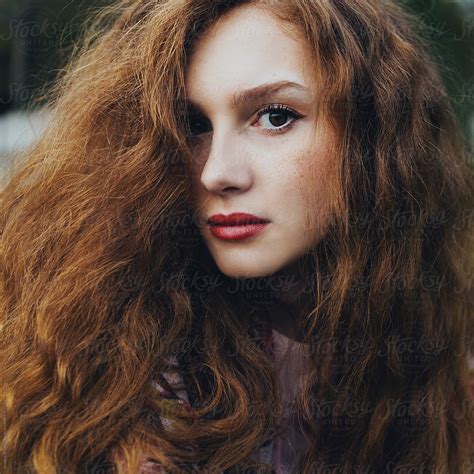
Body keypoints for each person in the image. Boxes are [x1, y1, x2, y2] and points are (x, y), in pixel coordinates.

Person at [1, 0, 473, 472]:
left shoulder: (431, 351)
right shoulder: (123, 375)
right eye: (194, 125)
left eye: (274, 117)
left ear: (372, 139)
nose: (216, 172)